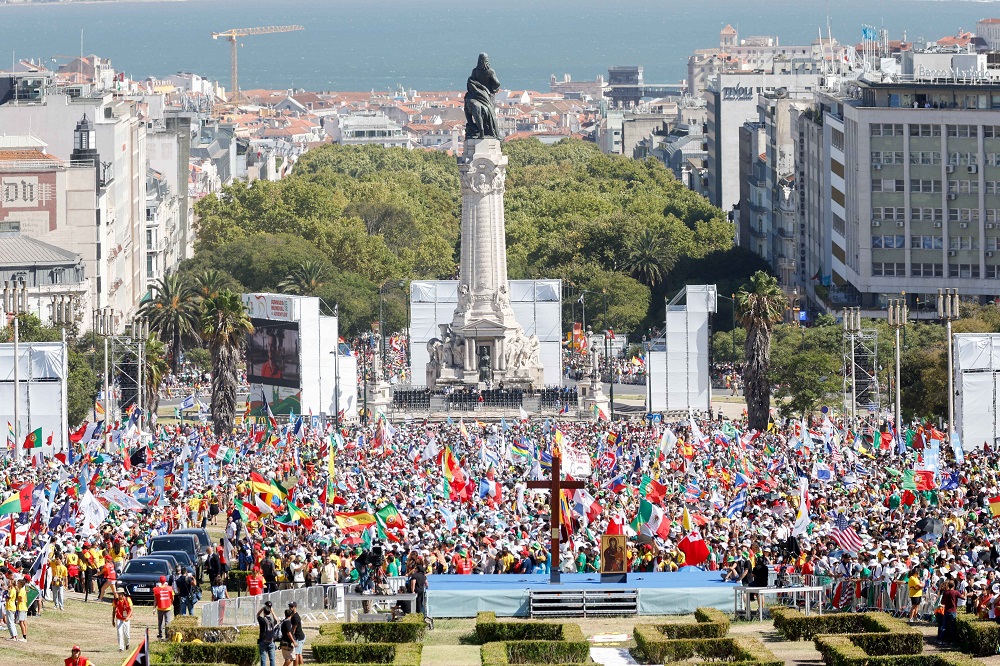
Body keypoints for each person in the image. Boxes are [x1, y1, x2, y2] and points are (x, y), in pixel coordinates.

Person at [256, 601, 278, 666]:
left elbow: (257, 615)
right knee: (272, 659)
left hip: (263, 640)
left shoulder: (262, 620)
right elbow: (276, 620)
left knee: (263, 658)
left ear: (264, 612)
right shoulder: (271, 620)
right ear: (270, 612)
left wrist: (262, 609)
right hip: (271, 641)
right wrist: (273, 612)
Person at [111, 588, 133, 652]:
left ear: (123, 594)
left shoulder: (128, 599)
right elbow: (113, 610)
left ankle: (127, 644)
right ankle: (121, 647)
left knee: (126, 634)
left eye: (120, 594)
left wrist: (128, 617)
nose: (118, 595)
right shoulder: (116, 601)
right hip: (119, 618)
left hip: (126, 619)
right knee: (119, 633)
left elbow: (131, 609)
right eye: (118, 594)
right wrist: (113, 620)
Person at [288, 601, 305, 666]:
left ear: (295, 607)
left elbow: (293, 630)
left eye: (292, 606)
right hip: (300, 636)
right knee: (299, 653)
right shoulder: (293, 615)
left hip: (298, 637)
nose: (290, 608)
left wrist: (291, 638)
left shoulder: (295, 617)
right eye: (289, 606)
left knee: (296, 654)